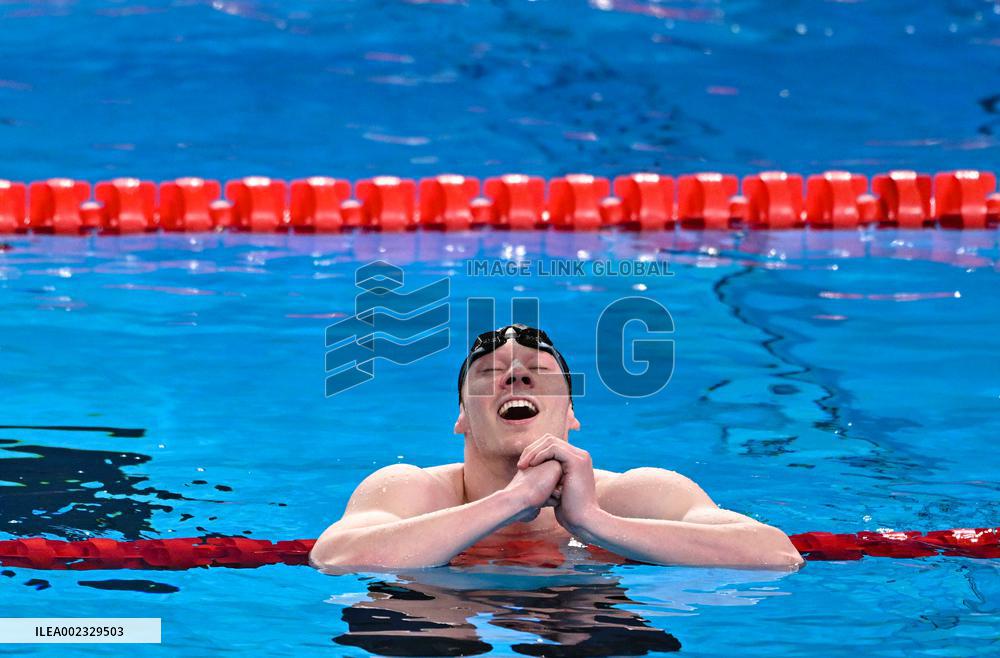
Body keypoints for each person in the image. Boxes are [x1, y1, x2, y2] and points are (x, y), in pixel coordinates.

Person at [310, 324, 803, 571]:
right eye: (489, 374)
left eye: (537, 371)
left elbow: (776, 555)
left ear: (570, 415)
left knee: (587, 624)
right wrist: (510, 502)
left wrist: (594, 523)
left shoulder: (634, 495)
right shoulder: (411, 490)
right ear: (462, 417)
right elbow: (335, 558)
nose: (515, 375)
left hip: (582, 613)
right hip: (444, 620)